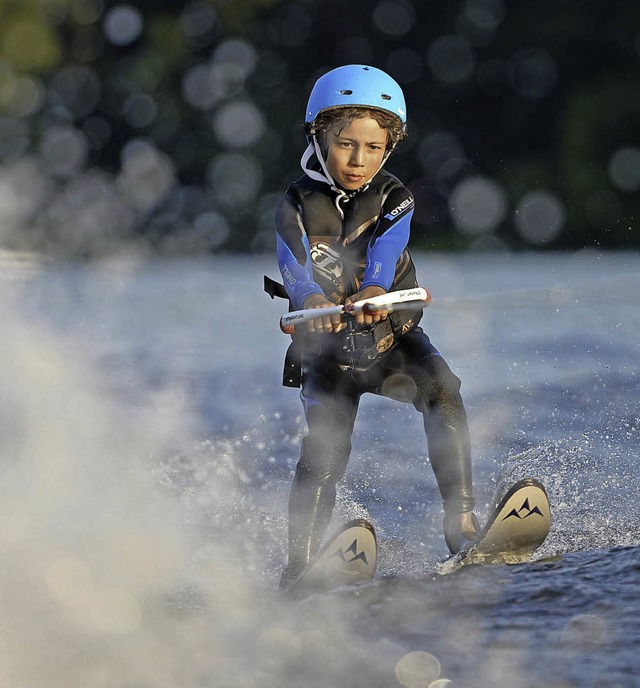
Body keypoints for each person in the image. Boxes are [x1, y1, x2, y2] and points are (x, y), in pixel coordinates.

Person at [266, 64, 478, 587]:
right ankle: (300, 567)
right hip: (328, 352)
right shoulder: (292, 207)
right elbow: (294, 269)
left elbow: (385, 252)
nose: (359, 160)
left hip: (392, 341)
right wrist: (312, 297)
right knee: (325, 450)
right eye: (345, 144)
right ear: (317, 135)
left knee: (444, 391)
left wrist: (376, 290)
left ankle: (463, 524)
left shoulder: (395, 197)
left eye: (374, 148)